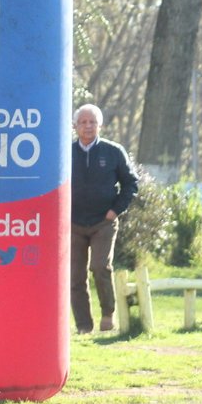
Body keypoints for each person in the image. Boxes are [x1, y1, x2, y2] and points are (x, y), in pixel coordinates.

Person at [69, 104, 138, 334]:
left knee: (99, 266)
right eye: (83, 122)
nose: (88, 127)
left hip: (103, 221)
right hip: (73, 223)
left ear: (100, 125)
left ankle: (108, 315)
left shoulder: (113, 151)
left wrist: (114, 211)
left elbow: (131, 184)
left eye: (92, 122)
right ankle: (83, 325)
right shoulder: (65, 152)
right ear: (75, 126)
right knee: (75, 276)